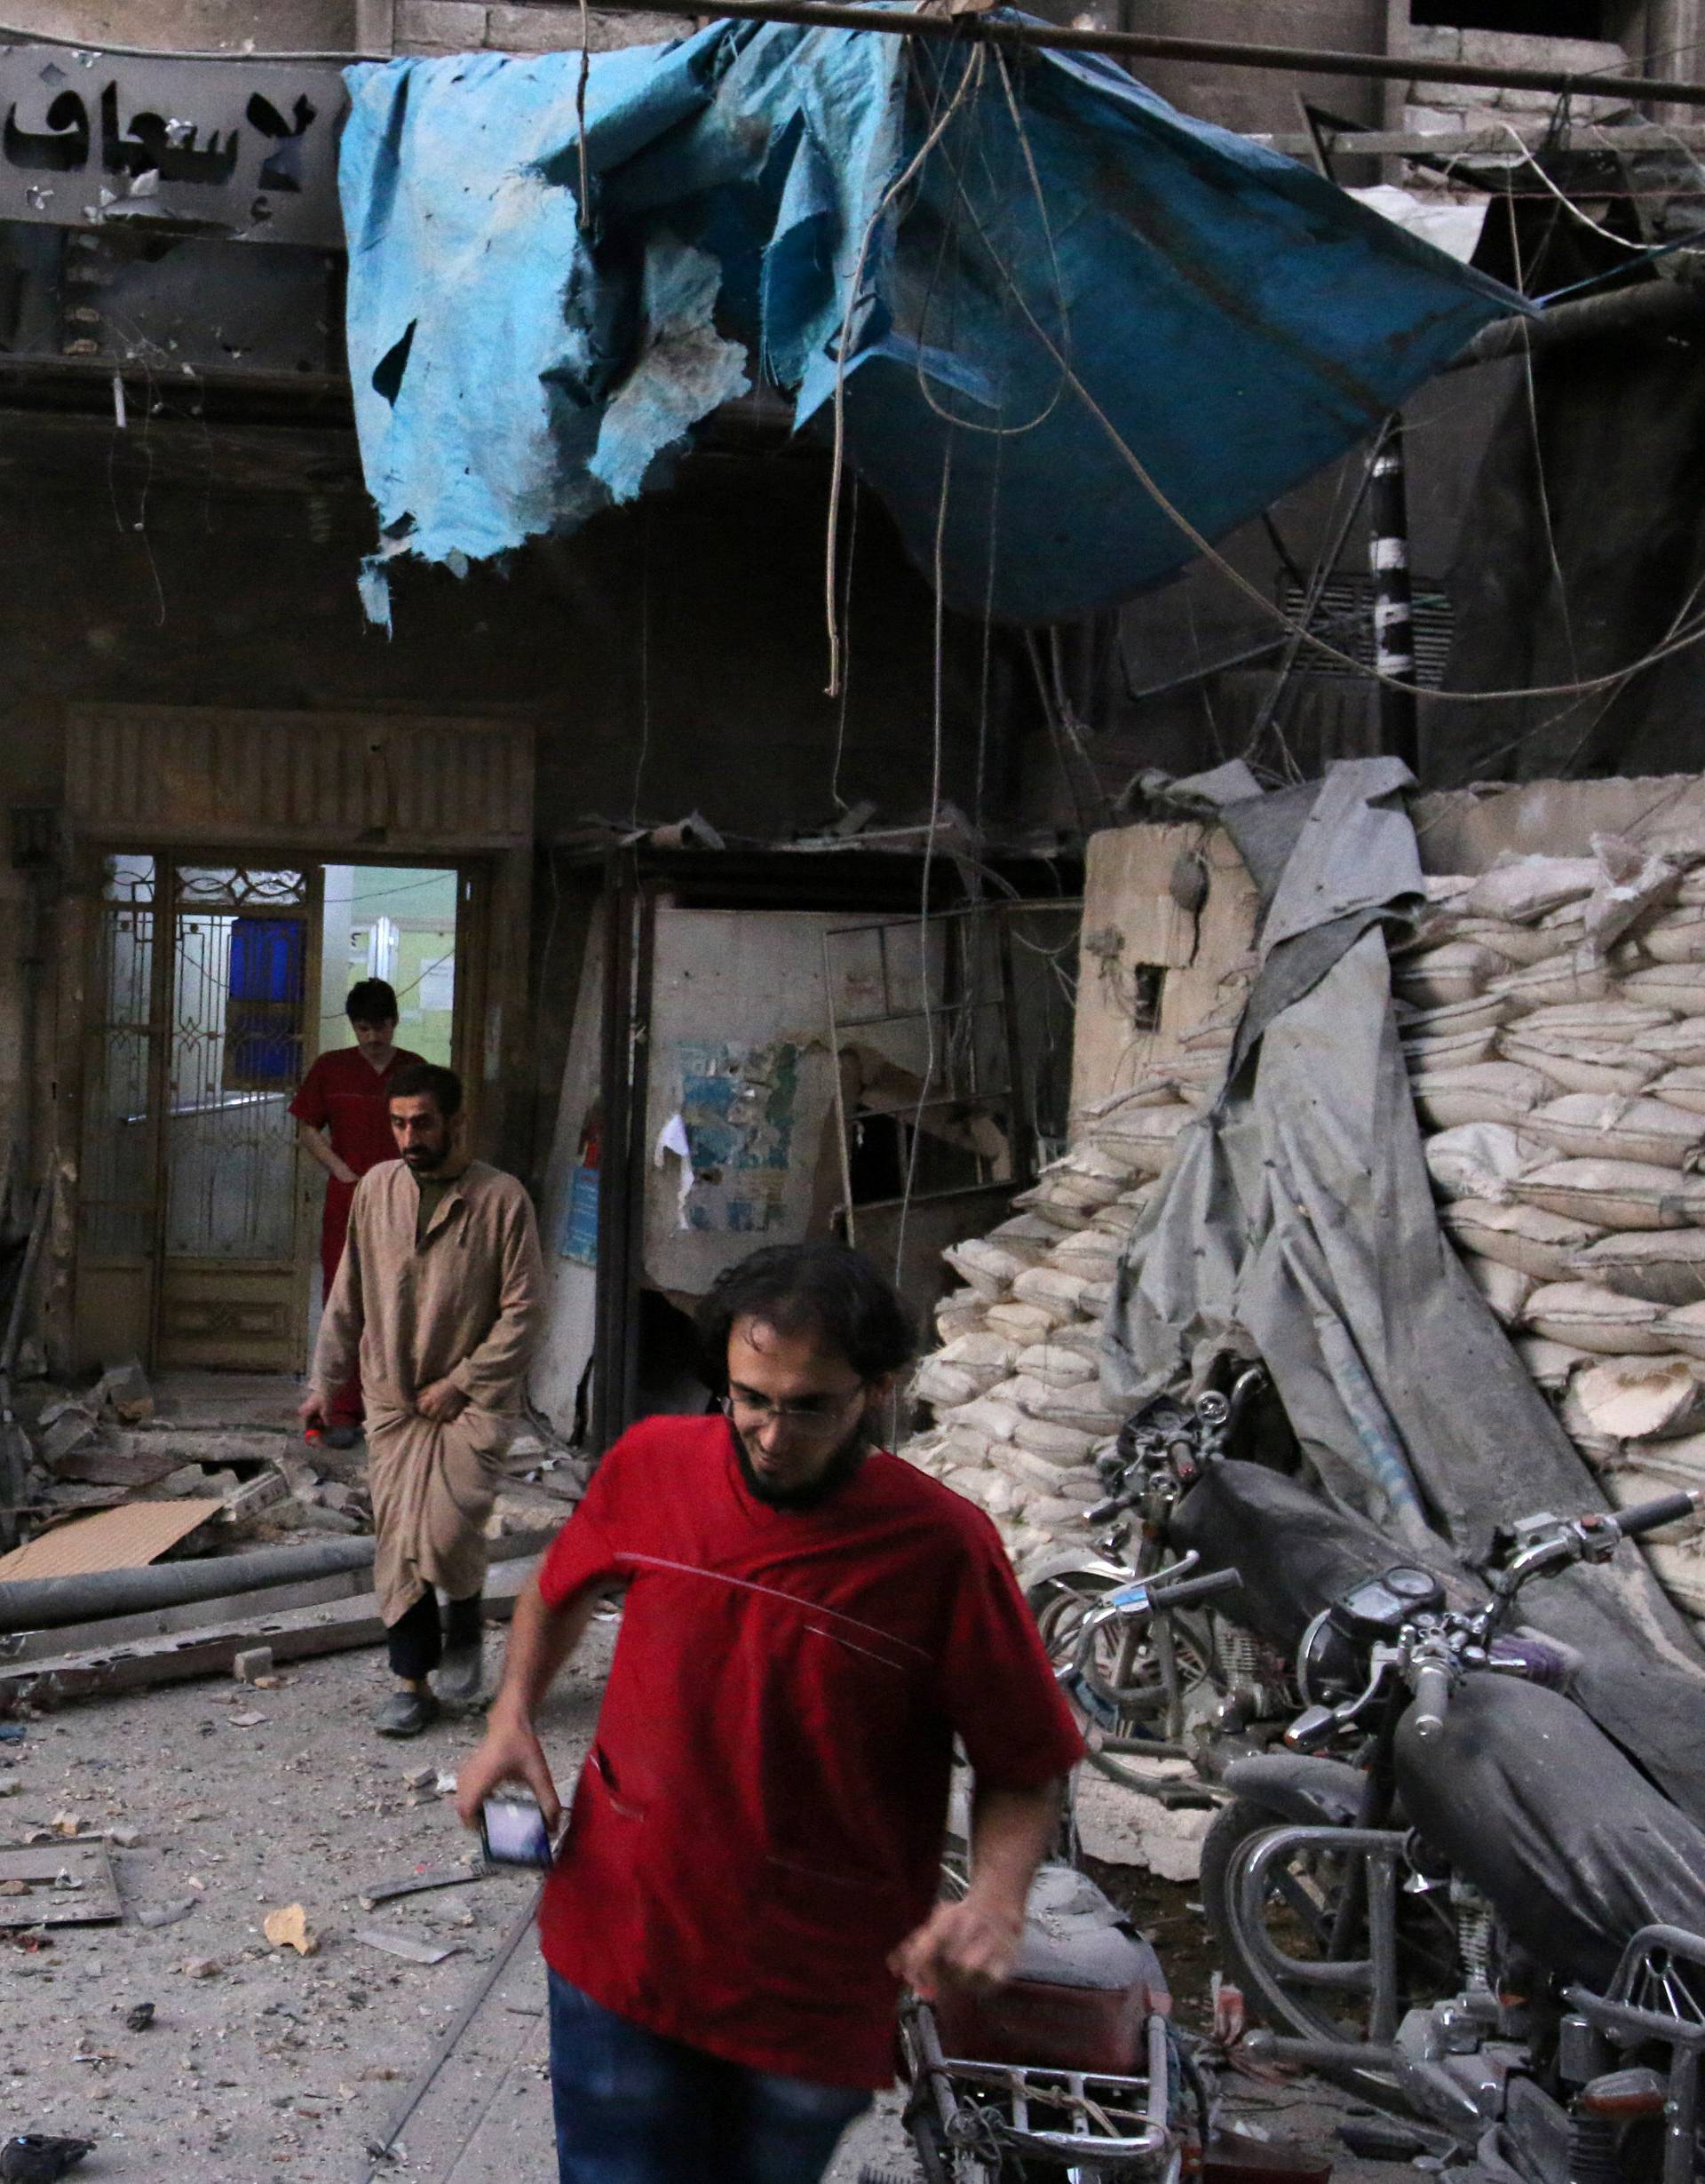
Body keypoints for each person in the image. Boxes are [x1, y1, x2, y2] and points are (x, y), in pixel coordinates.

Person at [456, 1240, 1084, 2184]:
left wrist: (996, 1901)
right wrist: (513, 1714)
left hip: (810, 1992)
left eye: (808, 1406)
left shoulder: (943, 1549)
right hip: (623, 1945)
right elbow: (559, 1585)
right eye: (750, 1397)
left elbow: (1025, 1758)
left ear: (876, 1389)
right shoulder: (653, 1464)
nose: (772, 1433)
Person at [299, 1063, 545, 1736]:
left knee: (446, 1530)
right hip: (392, 1399)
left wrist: (462, 1379)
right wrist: (325, 1382)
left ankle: (463, 1622)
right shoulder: (377, 1190)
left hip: (473, 1401)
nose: (409, 1136)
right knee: (398, 1543)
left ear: (457, 1120)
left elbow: (525, 1312)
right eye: (398, 1123)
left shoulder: (502, 1200)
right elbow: (347, 1294)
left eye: (423, 1123)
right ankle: (411, 1682)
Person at [289, 980, 424, 1449]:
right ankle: (342, 1408)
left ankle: (389, 1407)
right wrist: (341, 1171)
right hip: (347, 1199)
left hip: (403, 1200)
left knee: (399, 1299)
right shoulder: (332, 1069)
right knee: (341, 1300)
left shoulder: (414, 1071)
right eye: (363, 1029)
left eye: (380, 1027)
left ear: (394, 1023)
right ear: (353, 1026)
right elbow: (307, 1128)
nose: (372, 1038)